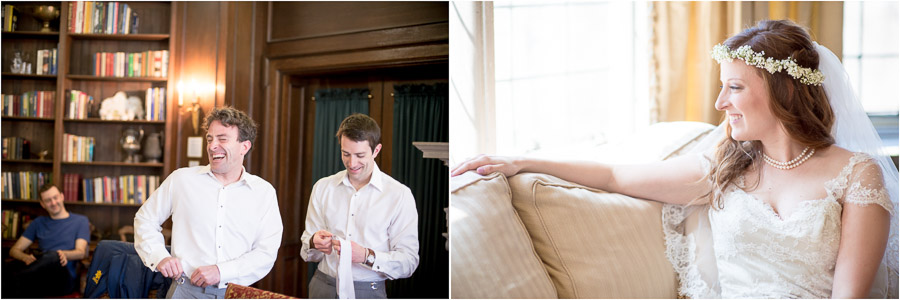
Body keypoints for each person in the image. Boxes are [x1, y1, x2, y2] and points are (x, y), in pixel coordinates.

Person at [452, 20, 898, 299]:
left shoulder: (857, 174)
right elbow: (614, 174)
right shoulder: (725, 164)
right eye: (722, 87)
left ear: (782, 91)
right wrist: (524, 161)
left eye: (735, 87)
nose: (720, 101)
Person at [134, 106, 283, 299]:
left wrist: (221, 271)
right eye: (210, 139)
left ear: (244, 147)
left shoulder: (264, 193)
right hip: (184, 291)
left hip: (236, 293)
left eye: (222, 139)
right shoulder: (181, 180)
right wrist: (159, 256)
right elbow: (145, 219)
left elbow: (266, 252)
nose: (212, 146)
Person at [300, 113, 419, 299]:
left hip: (369, 291)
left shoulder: (399, 195)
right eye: (345, 154)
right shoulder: (322, 187)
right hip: (322, 286)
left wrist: (366, 256)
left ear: (376, 150)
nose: (352, 163)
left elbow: (409, 262)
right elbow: (308, 250)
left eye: (360, 155)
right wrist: (313, 241)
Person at [3, 183, 90, 298]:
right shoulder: (38, 223)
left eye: (55, 197)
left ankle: (11, 282)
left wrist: (62, 254)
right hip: (38, 276)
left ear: (62, 196)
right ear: (42, 204)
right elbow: (14, 250)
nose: (53, 203)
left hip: (64, 279)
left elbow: (81, 252)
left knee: (53, 256)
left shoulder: (80, 221)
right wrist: (25, 257)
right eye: (48, 200)